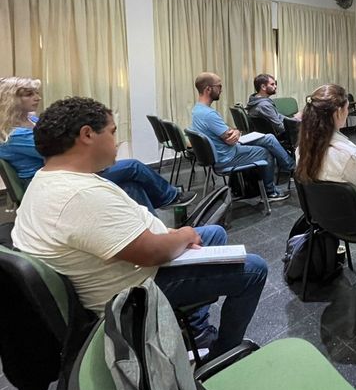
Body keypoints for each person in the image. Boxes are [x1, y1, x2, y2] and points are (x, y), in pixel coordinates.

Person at [12, 96, 268, 358]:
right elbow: (152, 253)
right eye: (112, 132)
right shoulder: (80, 196)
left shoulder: (49, 180)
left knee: (214, 233)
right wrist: (183, 235)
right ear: (87, 135)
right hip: (133, 295)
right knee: (254, 269)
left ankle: (197, 329)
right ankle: (224, 351)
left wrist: (169, 235)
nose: (117, 141)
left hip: (125, 268)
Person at [0, 76, 194, 213]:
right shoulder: (13, 135)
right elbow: (62, 150)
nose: (37, 98)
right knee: (133, 166)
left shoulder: (30, 121)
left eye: (36, 93)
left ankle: (152, 230)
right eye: (29, 94)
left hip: (65, 174)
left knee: (131, 185)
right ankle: (169, 198)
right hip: (54, 184)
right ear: (11, 99)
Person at [191, 72, 293, 201]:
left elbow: (228, 133)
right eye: (219, 86)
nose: (221, 90)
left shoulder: (197, 110)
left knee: (268, 138)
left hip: (220, 153)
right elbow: (230, 140)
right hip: (226, 156)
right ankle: (271, 191)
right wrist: (236, 132)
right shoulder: (209, 114)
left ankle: (290, 167)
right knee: (266, 152)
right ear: (208, 89)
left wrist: (234, 132)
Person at [295, 84, 356, 220]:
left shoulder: (301, 150)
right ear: (338, 112)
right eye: (347, 108)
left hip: (324, 222)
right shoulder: (347, 156)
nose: (347, 113)